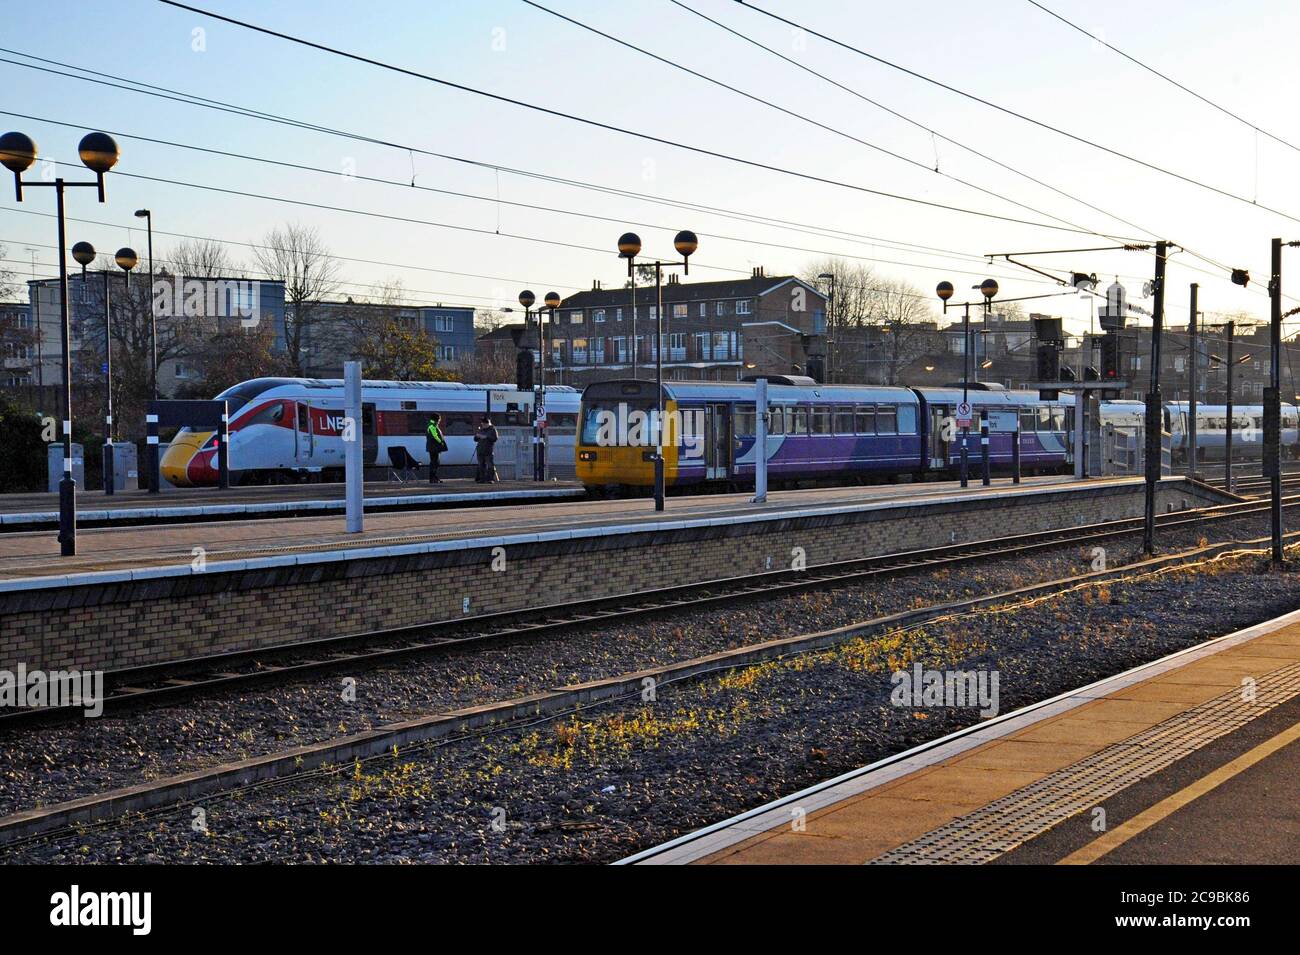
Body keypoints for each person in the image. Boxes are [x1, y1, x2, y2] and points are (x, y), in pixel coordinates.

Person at [474, 415, 498, 483]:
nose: (482, 424)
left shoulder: (493, 430)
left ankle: (490, 479)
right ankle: (482, 479)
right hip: (480, 450)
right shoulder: (481, 430)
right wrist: (477, 436)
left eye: (484, 423)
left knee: (490, 465)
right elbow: (475, 439)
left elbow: (495, 438)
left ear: (488, 423)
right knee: (481, 465)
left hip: (488, 450)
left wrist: (486, 437)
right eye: (482, 423)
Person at [425, 412, 447, 484]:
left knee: (435, 463)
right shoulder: (432, 426)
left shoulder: (433, 425)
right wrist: (441, 442)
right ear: (437, 419)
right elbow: (435, 436)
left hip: (433, 447)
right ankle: (433, 479)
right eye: (440, 419)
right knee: (435, 463)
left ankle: (434, 478)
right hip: (434, 447)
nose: (440, 420)